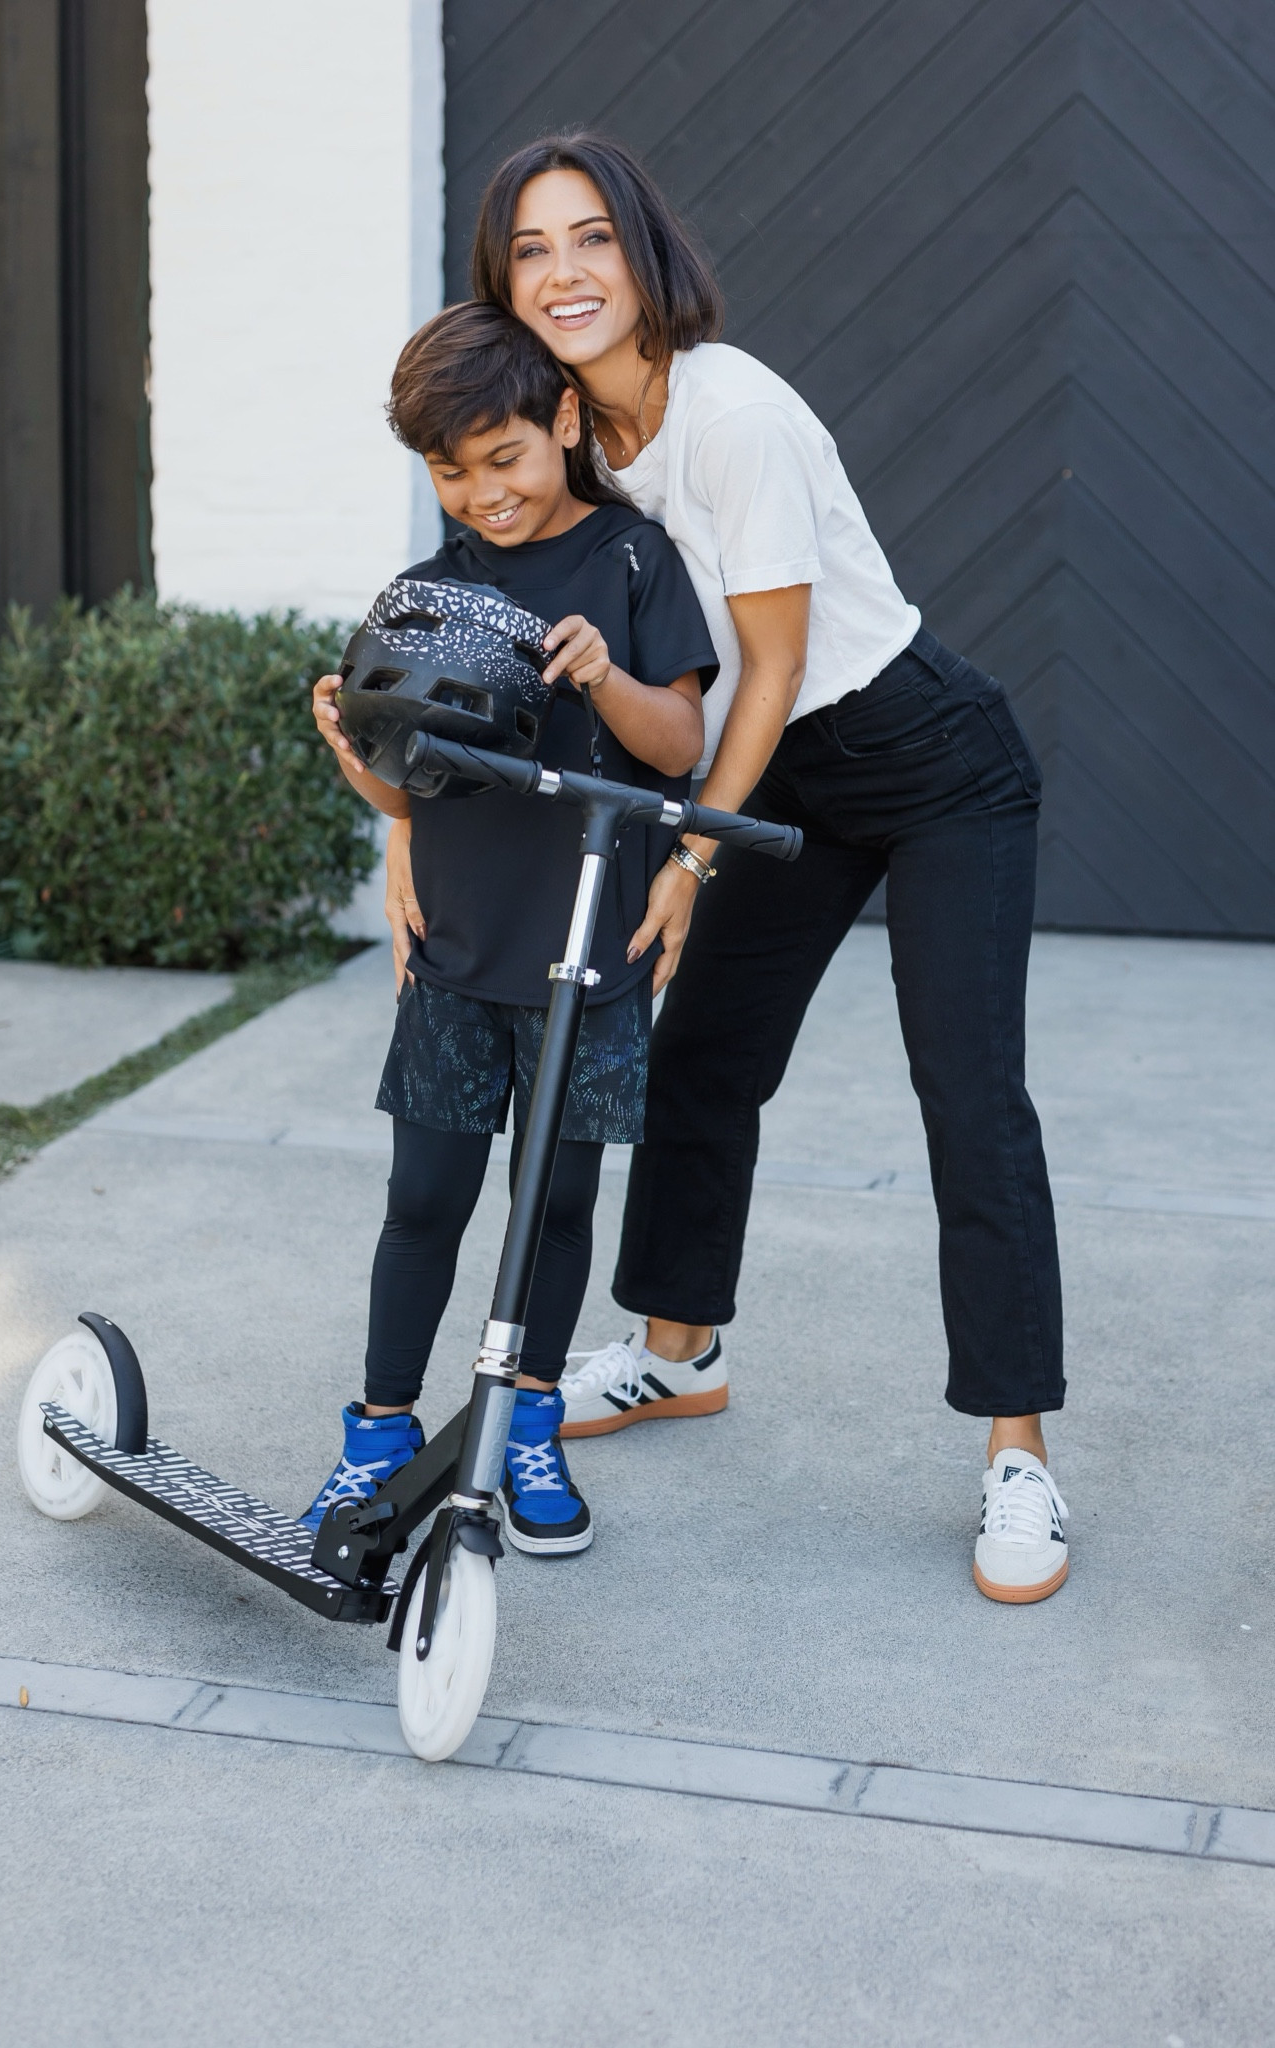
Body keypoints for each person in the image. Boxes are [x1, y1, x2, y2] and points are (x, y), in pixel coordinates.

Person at [384, 132, 1070, 1604]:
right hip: (784, 779)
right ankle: (676, 1355)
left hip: (925, 759)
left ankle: (1016, 1453)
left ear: (641, 254)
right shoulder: (563, 429)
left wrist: (685, 855)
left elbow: (760, 676)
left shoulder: (731, 411)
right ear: (501, 281)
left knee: (965, 1088)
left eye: (589, 241)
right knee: (700, 1055)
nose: (562, 273)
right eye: (529, 249)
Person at [305, 299, 717, 1557]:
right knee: (424, 1196)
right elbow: (403, 786)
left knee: (553, 1206)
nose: (483, 493)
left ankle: (526, 1421)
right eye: (449, 470)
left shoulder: (635, 562)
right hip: (458, 953)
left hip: (589, 960)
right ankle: (377, 1430)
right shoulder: (423, 594)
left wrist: (605, 675)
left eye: (506, 458)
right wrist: (348, 749)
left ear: (565, 423)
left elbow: (679, 745)